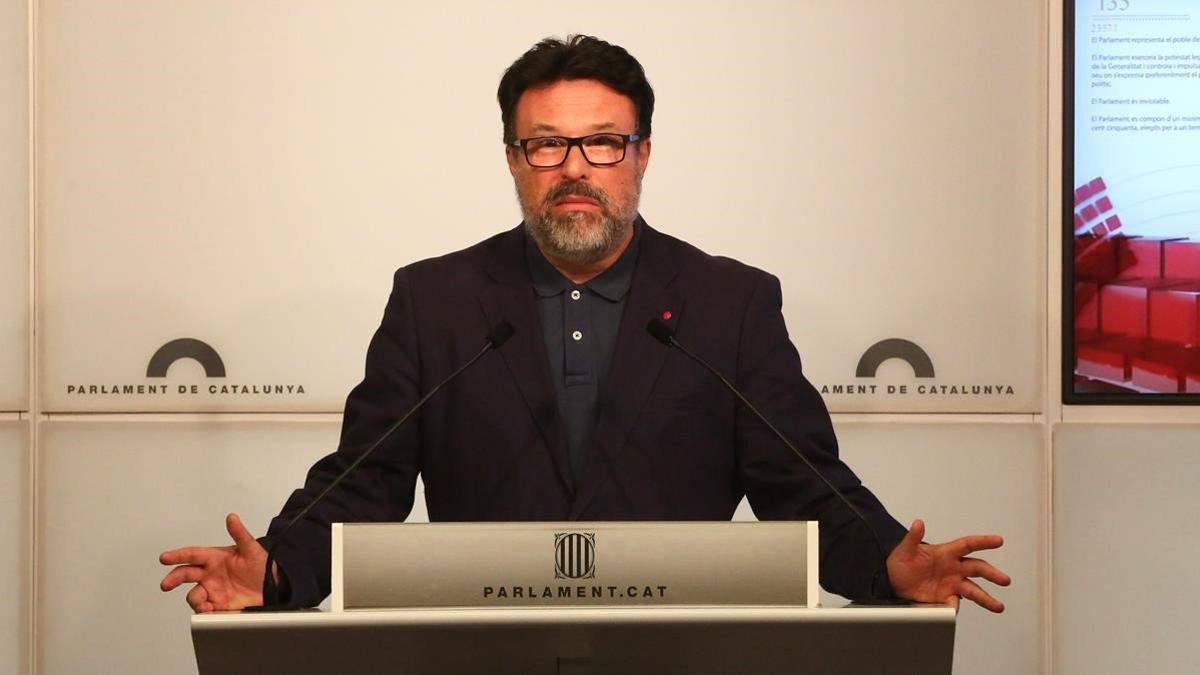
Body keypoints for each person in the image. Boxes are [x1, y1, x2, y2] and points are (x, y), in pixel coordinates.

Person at [160, 35, 1009, 614]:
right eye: (546, 146)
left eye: (603, 143)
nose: (575, 169)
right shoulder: (437, 301)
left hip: (678, 655)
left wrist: (888, 561)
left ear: (642, 154)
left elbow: (803, 481)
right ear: (512, 161)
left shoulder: (728, 304)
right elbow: (365, 482)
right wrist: (274, 567)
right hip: (482, 651)